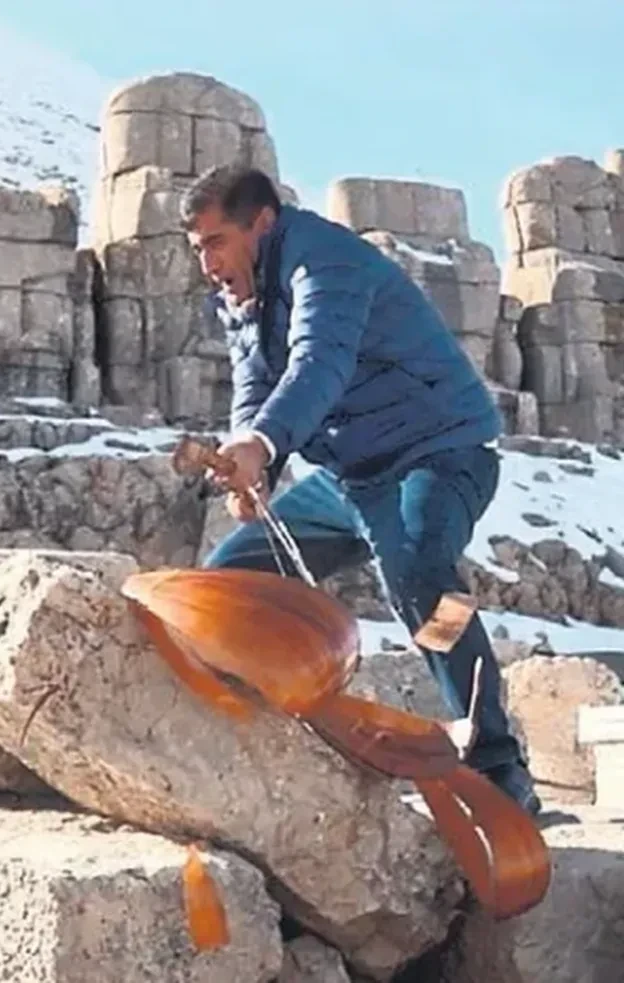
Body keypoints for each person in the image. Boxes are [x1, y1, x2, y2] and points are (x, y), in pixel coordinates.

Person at [181, 163, 540, 815]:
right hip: (352, 476)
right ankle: (262, 765)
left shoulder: (328, 264)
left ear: (262, 224)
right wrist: (248, 454)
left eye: (215, 243)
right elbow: (254, 385)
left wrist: (262, 445)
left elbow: (321, 360)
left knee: (421, 571)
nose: (208, 264)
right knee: (230, 584)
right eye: (198, 249)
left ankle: (498, 762)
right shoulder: (239, 290)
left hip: (443, 450)